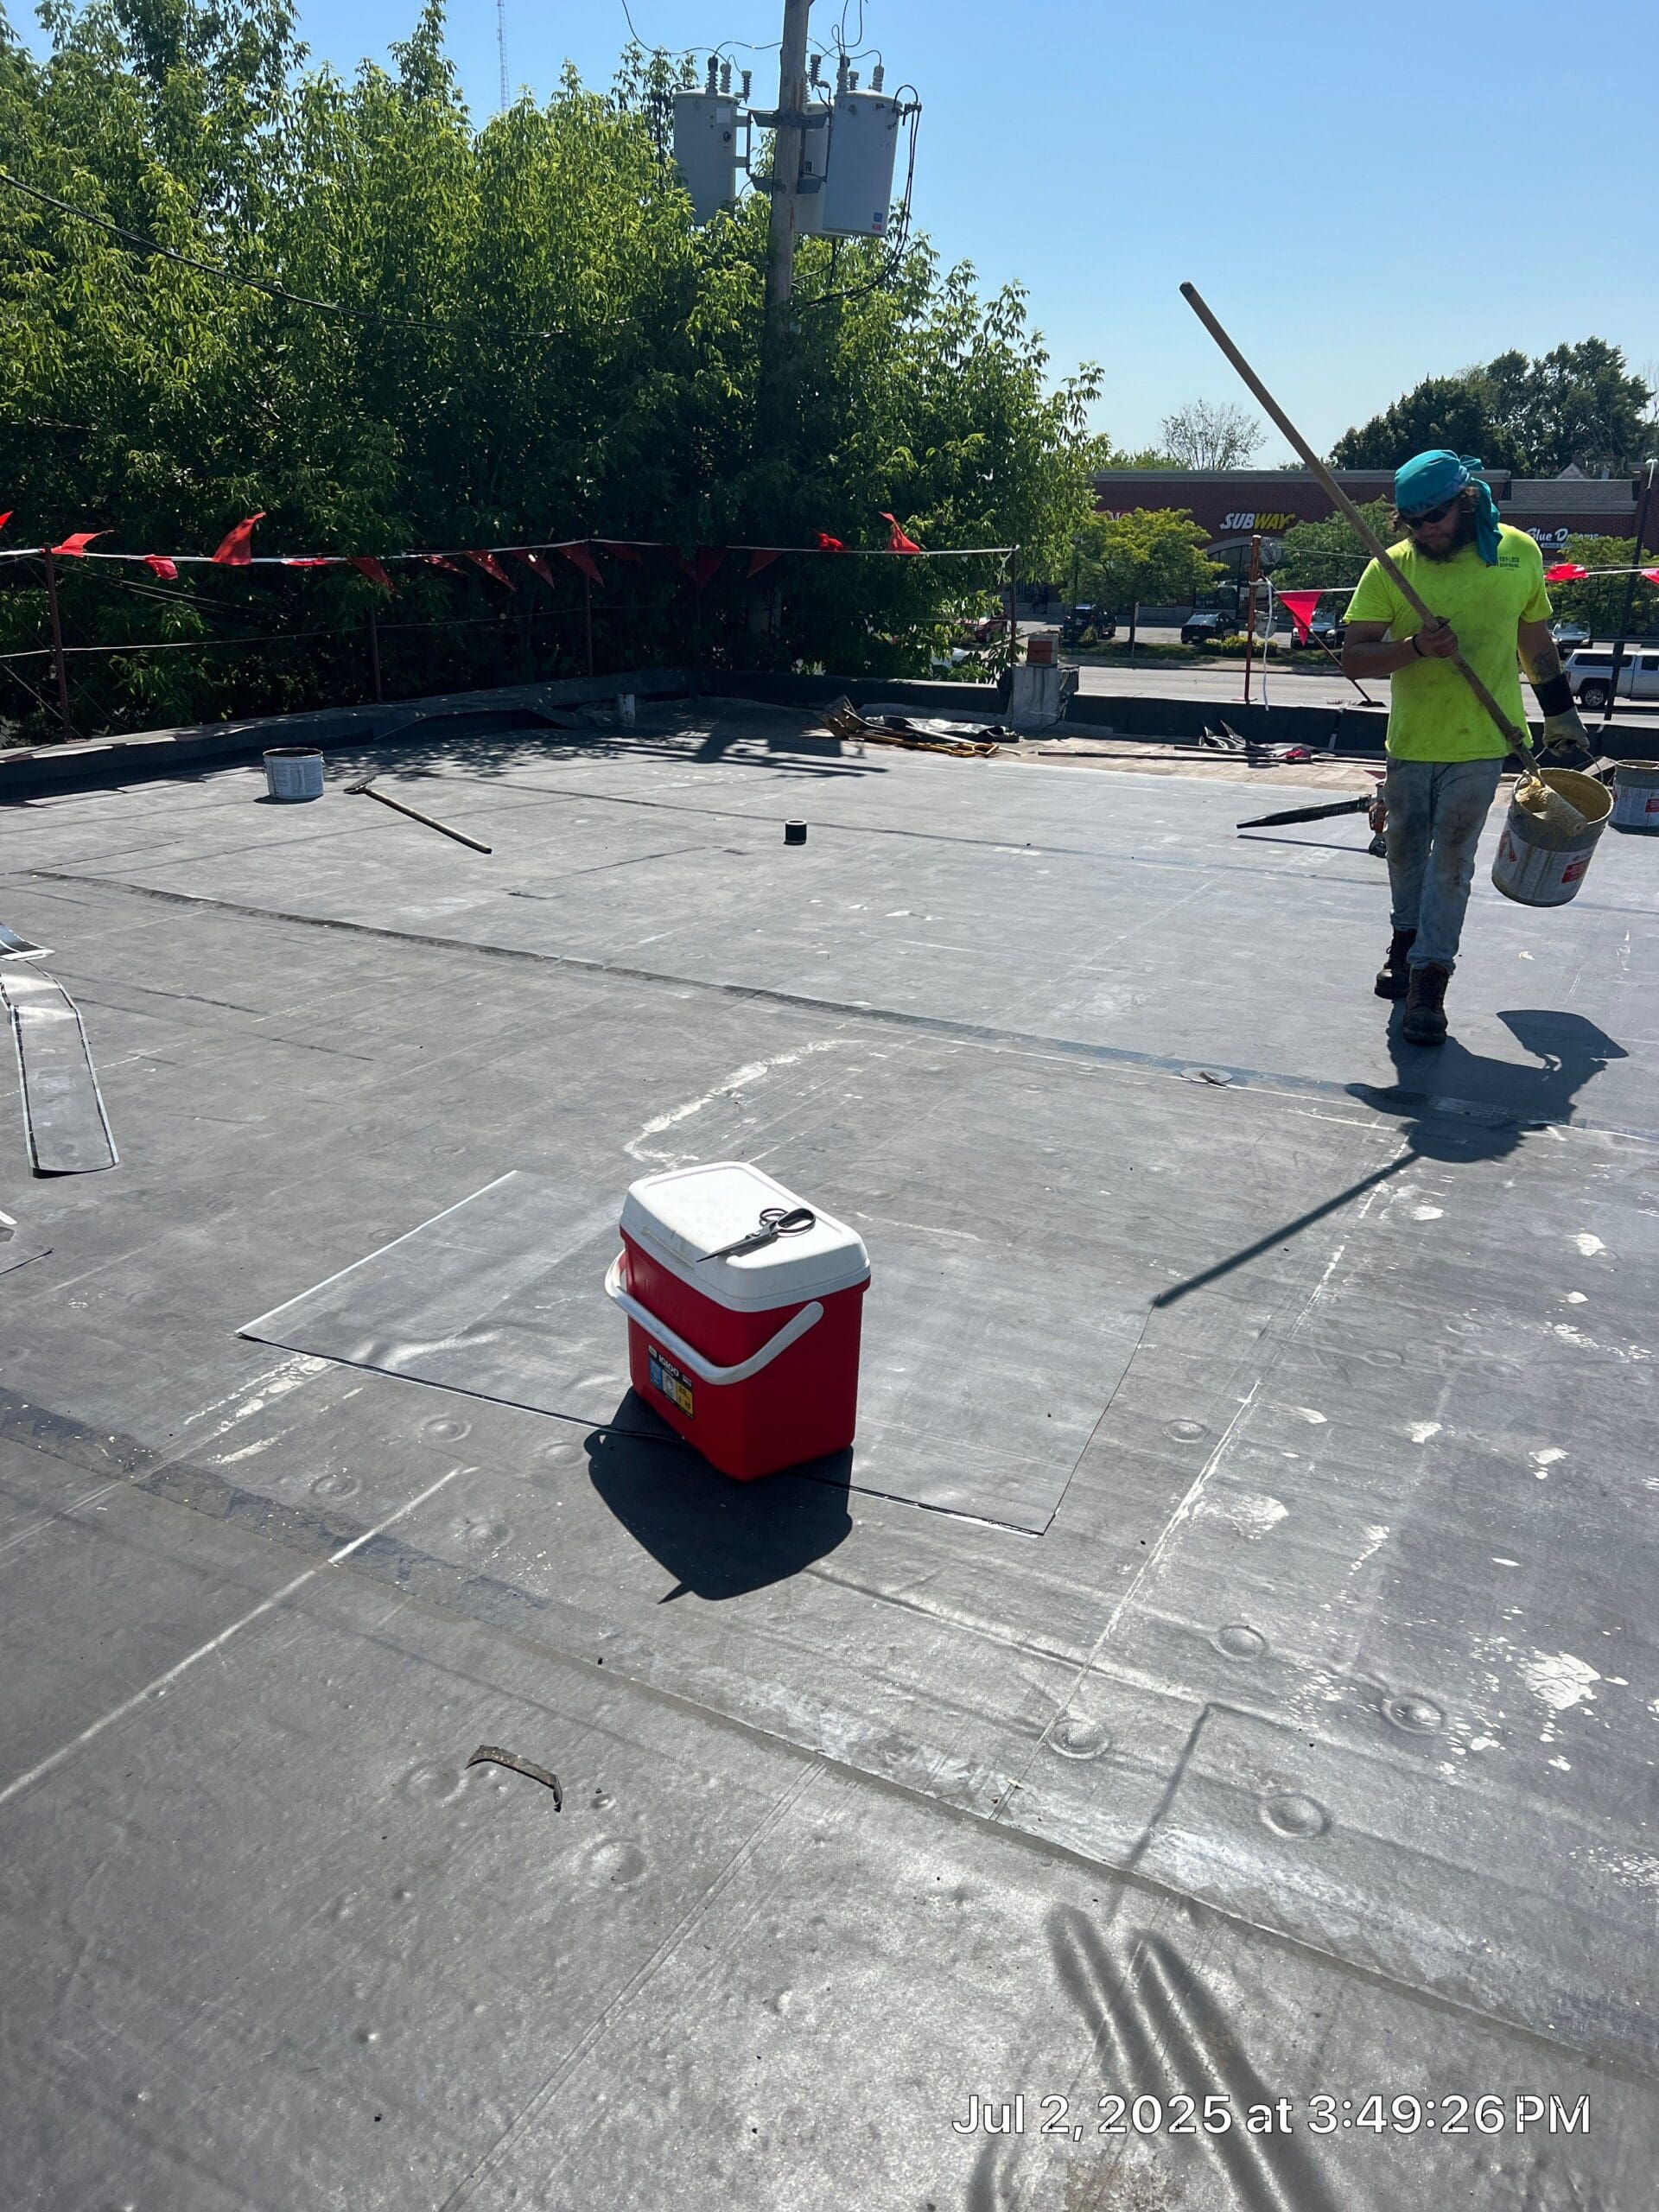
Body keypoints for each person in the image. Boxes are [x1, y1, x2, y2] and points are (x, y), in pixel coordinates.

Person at [1342, 452, 1591, 1046]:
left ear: (1466, 501)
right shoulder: (1390, 569)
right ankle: (1405, 941)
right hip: (1411, 743)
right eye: (1412, 520)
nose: (1425, 529)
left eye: (1435, 516)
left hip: (1483, 742)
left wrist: (1561, 715)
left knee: (1452, 861)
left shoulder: (1517, 555)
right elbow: (1354, 658)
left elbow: (1535, 641)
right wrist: (1416, 649)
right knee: (1405, 854)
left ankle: (1431, 977)